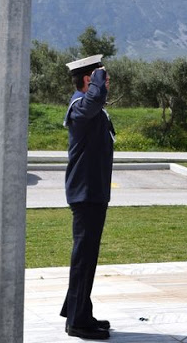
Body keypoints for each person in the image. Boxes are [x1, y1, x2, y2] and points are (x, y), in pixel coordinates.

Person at [60, 55, 115, 340]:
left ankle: (79, 312)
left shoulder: (90, 108)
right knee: (83, 258)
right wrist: (97, 79)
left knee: (87, 258)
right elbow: (93, 101)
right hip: (86, 194)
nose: (107, 83)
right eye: (101, 78)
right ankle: (78, 322)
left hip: (93, 192)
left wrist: (98, 79)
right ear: (87, 80)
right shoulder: (80, 106)